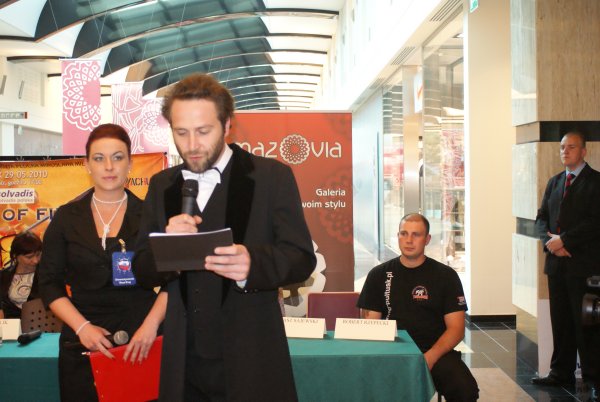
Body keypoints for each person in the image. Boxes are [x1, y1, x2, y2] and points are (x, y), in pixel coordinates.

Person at [133, 73, 316, 402]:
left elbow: (301, 258)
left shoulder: (271, 177)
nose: (192, 144)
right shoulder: (162, 185)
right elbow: (142, 268)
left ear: (227, 125)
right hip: (184, 363)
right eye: (181, 132)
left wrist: (252, 264)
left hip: (251, 357)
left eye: (203, 131)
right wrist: (166, 250)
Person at [38, 123, 167, 402]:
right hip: (81, 339)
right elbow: (48, 283)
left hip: (141, 340)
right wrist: (82, 328)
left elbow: (174, 280)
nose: (109, 166)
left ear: (130, 164)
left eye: (117, 157)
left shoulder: (151, 216)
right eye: (99, 158)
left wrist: (150, 327)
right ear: (87, 165)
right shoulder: (66, 217)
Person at [357, 213, 479, 402]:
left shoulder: (446, 276)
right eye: (404, 234)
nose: (409, 240)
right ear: (397, 236)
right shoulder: (379, 275)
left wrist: (429, 358)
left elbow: (456, 329)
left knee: (465, 390)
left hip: (436, 351)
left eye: (416, 234)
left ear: (427, 239)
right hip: (392, 351)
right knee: (361, 383)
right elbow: (370, 326)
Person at [532, 130, 600, 400]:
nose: (565, 151)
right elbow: (541, 218)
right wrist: (550, 243)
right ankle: (560, 372)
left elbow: (595, 222)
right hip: (556, 266)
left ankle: (594, 379)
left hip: (583, 266)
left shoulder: (596, 182)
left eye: (571, 147)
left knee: (586, 326)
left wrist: (565, 240)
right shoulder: (555, 181)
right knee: (560, 322)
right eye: (562, 147)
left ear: (583, 151)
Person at [0, 231, 42, 319]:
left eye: (38, 255)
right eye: (29, 257)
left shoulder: (47, 274)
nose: (35, 260)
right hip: (11, 324)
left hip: (41, 323)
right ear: (15, 256)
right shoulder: (3, 276)